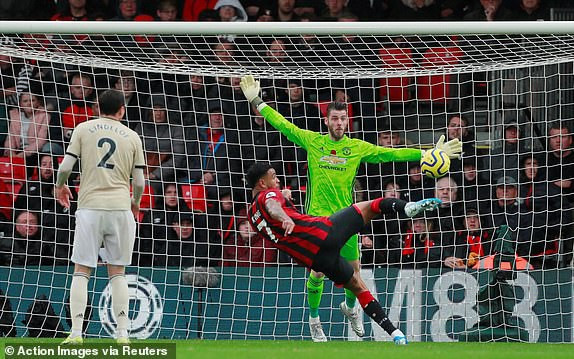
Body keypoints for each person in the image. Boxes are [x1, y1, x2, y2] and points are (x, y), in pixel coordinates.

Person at [239, 75, 462, 342]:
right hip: (316, 220)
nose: (339, 123)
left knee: (354, 273)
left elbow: (389, 153)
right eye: (334, 118)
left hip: (346, 219)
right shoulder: (313, 141)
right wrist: (256, 100)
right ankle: (314, 319)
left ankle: (351, 308)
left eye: (343, 119)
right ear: (326, 120)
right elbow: (283, 124)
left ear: (348, 120)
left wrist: (424, 154)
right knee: (317, 273)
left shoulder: (355, 148)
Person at [246, 162, 443, 344]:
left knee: (357, 286)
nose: (278, 180)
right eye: (273, 177)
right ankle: (408, 207)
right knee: (371, 206)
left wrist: (285, 203)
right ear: (262, 183)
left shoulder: (251, 215)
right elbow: (273, 207)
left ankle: (396, 334)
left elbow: (271, 213)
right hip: (323, 233)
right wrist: (284, 216)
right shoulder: (269, 195)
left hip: (316, 259)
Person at [54, 89, 146, 345]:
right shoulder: (132, 136)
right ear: (121, 110)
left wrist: (60, 185)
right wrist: (135, 203)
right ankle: (122, 334)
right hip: (119, 208)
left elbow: (65, 167)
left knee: (82, 271)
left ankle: (75, 334)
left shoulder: (83, 128)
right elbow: (139, 181)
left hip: (90, 207)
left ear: (97, 108)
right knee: (117, 272)